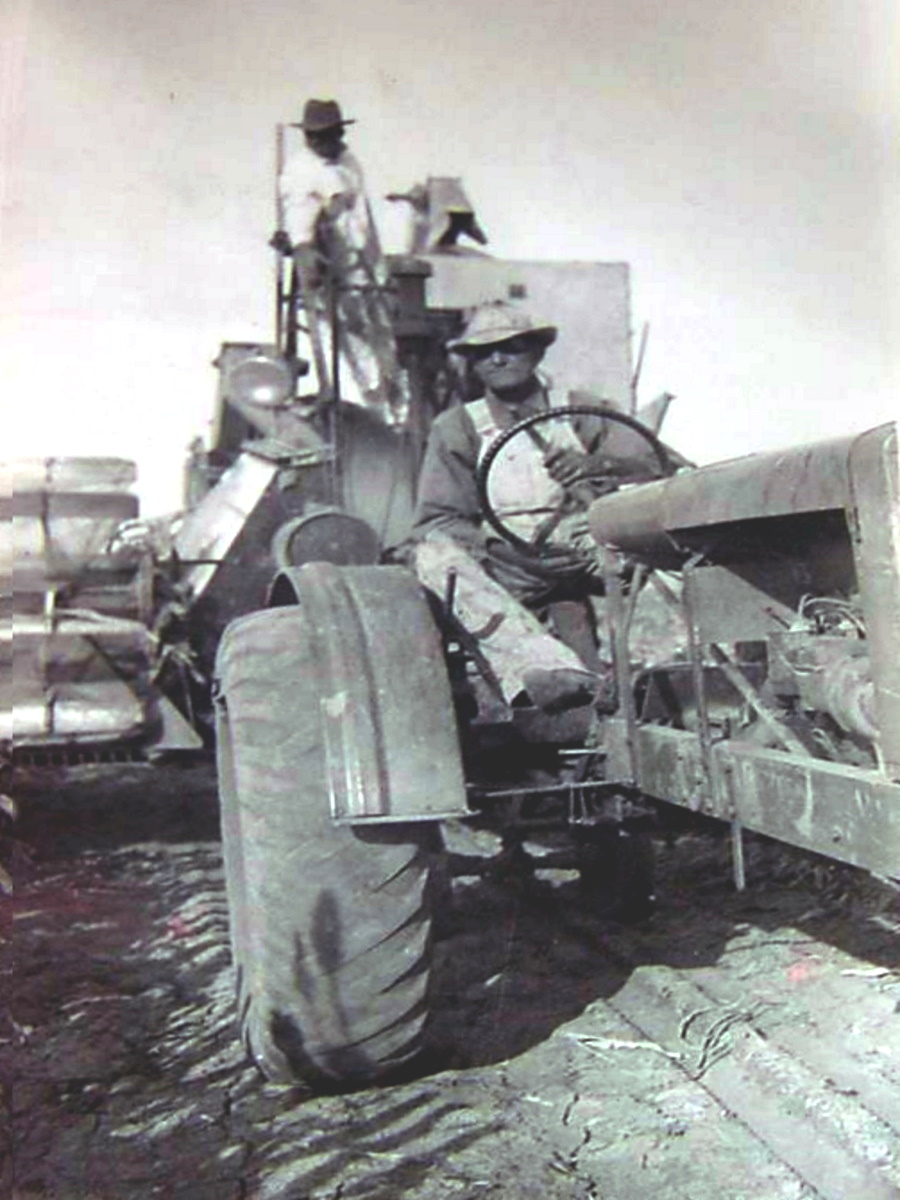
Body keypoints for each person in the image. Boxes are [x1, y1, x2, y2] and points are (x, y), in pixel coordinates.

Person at [412, 302, 671, 714]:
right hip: (504, 564)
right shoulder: (458, 427)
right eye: (484, 352)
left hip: (583, 552)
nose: (498, 358)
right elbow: (439, 518)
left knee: (672, 541)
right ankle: (550, 670)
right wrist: (497, 551)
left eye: (512, 347)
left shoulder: (582, 409)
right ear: (472, 364)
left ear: (537, 352)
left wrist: (598, 465)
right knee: (432, 555)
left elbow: (657, 465)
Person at [276, 99, 399, 417]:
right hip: (335, 278)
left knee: (383, 342)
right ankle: (364, 415)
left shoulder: (349, 162)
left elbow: (353, 210)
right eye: (314, 136)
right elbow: (300, 219)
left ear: (338, 133)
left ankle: (395, 412)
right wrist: (305, 249)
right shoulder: (299, 170)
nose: (320, 142)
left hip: (368, 270)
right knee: (348, 346)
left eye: (327, 134)